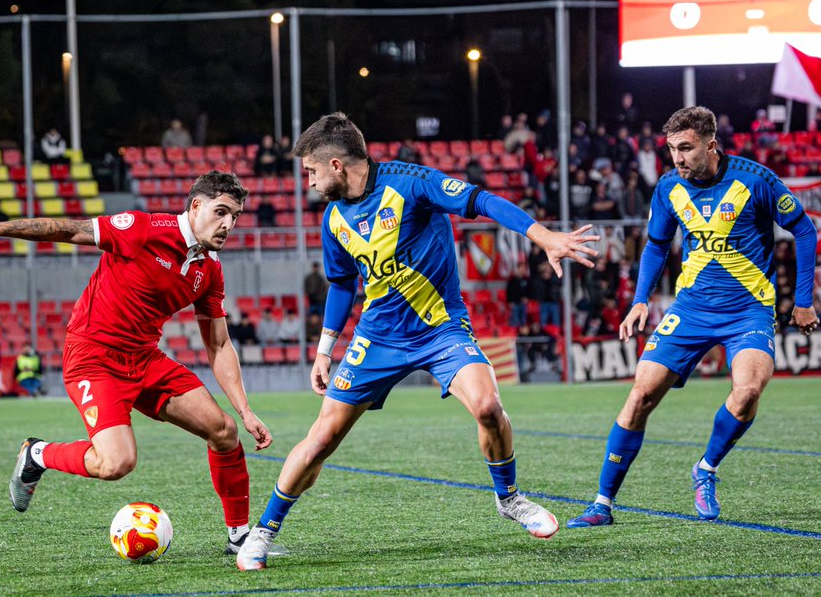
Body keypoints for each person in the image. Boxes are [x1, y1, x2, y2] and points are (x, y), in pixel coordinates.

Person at [236, 112, 600, 570]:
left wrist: (542, 235)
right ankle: (263, 532)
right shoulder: (333, 220)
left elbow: (480, 200)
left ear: (335, 165)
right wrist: (325, 349)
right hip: (377, 338)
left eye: (310, 170)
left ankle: (509, 498)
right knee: (322, 437)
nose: (306, 181)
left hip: (440, 328)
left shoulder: (411, 183)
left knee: (488, 406)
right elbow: (343, 285)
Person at [0, 170, 275, 556]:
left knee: (224, 430)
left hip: (144, 358)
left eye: (235, 216)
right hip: (93, 357)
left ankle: (239, 537)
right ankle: (37, 454)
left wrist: (245, 409)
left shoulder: (209, 270)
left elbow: (219, 345)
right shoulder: (143, 228)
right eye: (221, 212)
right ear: (196, 206)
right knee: (116, 463)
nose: (228, 224)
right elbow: (68, 230)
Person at [566, 106, 818, 529]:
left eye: (686, 148)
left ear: (711, 145)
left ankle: (706, 468)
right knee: (640, 395)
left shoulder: (755, 180)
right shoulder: (667, 188)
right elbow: (655, 246)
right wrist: (641, 299)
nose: (677, 158)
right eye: (671, 149)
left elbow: (805, 230)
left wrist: (805, 299)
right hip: (691, 309)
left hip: (748, 310)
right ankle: (601, 504)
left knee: (750, 388)